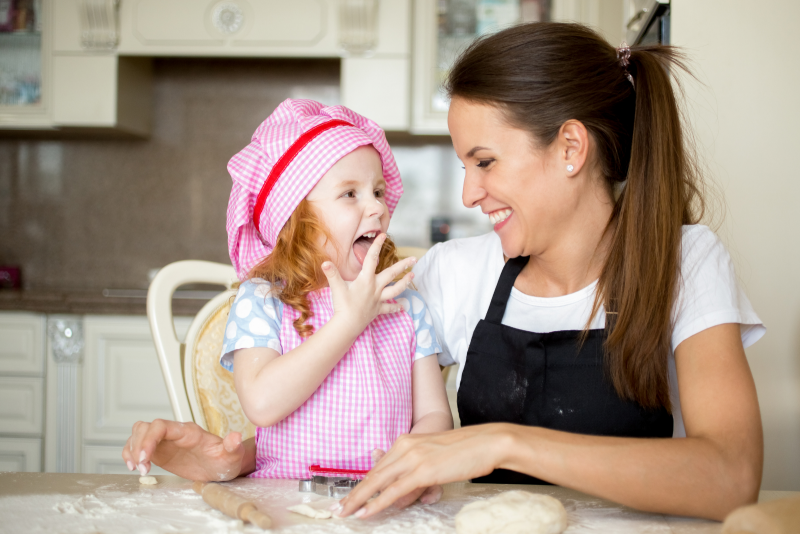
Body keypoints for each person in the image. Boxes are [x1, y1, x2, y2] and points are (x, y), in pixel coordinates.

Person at [336, 23, 765, 521]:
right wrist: (247, 453)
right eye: (465, 167)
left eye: (486, 161)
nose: (469, 194)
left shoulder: (684, 262)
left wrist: (503, 443)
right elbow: (340, 396)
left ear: (570, 148)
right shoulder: (455, 272)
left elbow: (730, 477)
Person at [122, 100, 452, 499]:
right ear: (295, 221)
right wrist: (349, 322)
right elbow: (262, 402)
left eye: (378, 191)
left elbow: (434, 414)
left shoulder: (405, 303)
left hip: (385, 502)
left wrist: (410, 464)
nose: (378, 207)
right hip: (282, 504)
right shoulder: (263, 300)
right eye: (350, 193)